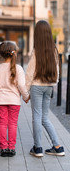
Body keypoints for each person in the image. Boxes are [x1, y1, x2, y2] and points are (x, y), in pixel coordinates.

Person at [26, 20, 65, 158]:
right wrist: (55, 82)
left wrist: (25, 92)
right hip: (49, 86)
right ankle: (57, 146)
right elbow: (57, 69)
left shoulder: (37, 50)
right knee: (44, 117)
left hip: (37, 86)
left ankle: (38, 148)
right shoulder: (54, 49)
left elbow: (30, 72)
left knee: (37, 117)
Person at [0, 41, 29, 157]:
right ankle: (11, 148)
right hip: (14, 101)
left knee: (2, 124)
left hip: (1, 101)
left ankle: (3, 148)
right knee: (13, 124)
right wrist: (26, 97)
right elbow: (22, 85)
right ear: (15, 53)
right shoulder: (18, 68)